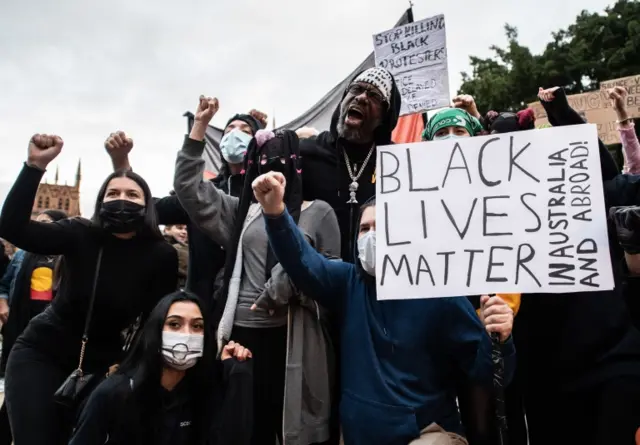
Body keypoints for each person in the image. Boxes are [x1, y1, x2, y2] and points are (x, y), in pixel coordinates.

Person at [255, 170, 516, 445]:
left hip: (428, 434)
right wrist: (275, 213)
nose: (371, 236)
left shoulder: (442, 295)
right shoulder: (348, 282)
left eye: (382, 228)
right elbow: (303, 261)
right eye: (364, 229)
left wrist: (500, 338)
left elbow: (488, 376)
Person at [174, 96, 340, 445]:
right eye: (264, 161)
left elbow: (331, 279)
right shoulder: (241, 212)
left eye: (282, 159)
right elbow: (189, 191)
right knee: (242, 426)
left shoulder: (319, 212)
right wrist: (199, 128)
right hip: (240, 337)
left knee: (290, 427)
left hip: (293, 337)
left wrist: (288, 281)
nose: (272, 167)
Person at [0, 134, 178, 444]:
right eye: (112, 192)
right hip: (41, 352)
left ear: (148, 205)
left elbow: (154, 319)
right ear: (100, 200)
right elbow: (13, 227)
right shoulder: (79, 232)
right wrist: (34, 167)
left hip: (104, 364)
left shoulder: (161, 255)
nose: (121, 199)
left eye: (132, 195)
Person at [105, 109, 265, 307]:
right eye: (229, 130)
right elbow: (148, 208)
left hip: (252, 307)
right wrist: (121, 162)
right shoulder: (200, 192)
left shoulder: (267, 191)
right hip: (201, 306)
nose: (234, 134)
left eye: (245, 131)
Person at [69, 291, 253, 445]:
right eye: (174, 324)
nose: (186, 334)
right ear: (156, 331)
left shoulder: (203, 394)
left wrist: (239, 374)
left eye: (197, 326)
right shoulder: (114, 394)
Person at [299, 67, 401, 263]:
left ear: (385, 116)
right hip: (316, 283)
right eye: (356, 89)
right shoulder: (306, 153)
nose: (361, 97)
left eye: (374, 96)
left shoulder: (397, 163)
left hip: (376, 283)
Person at [164, 223, 189, 289]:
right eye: (179, 228)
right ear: (167, 230)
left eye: (186, 229)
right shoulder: (174, 248)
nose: (184, 232)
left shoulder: (185, 247)